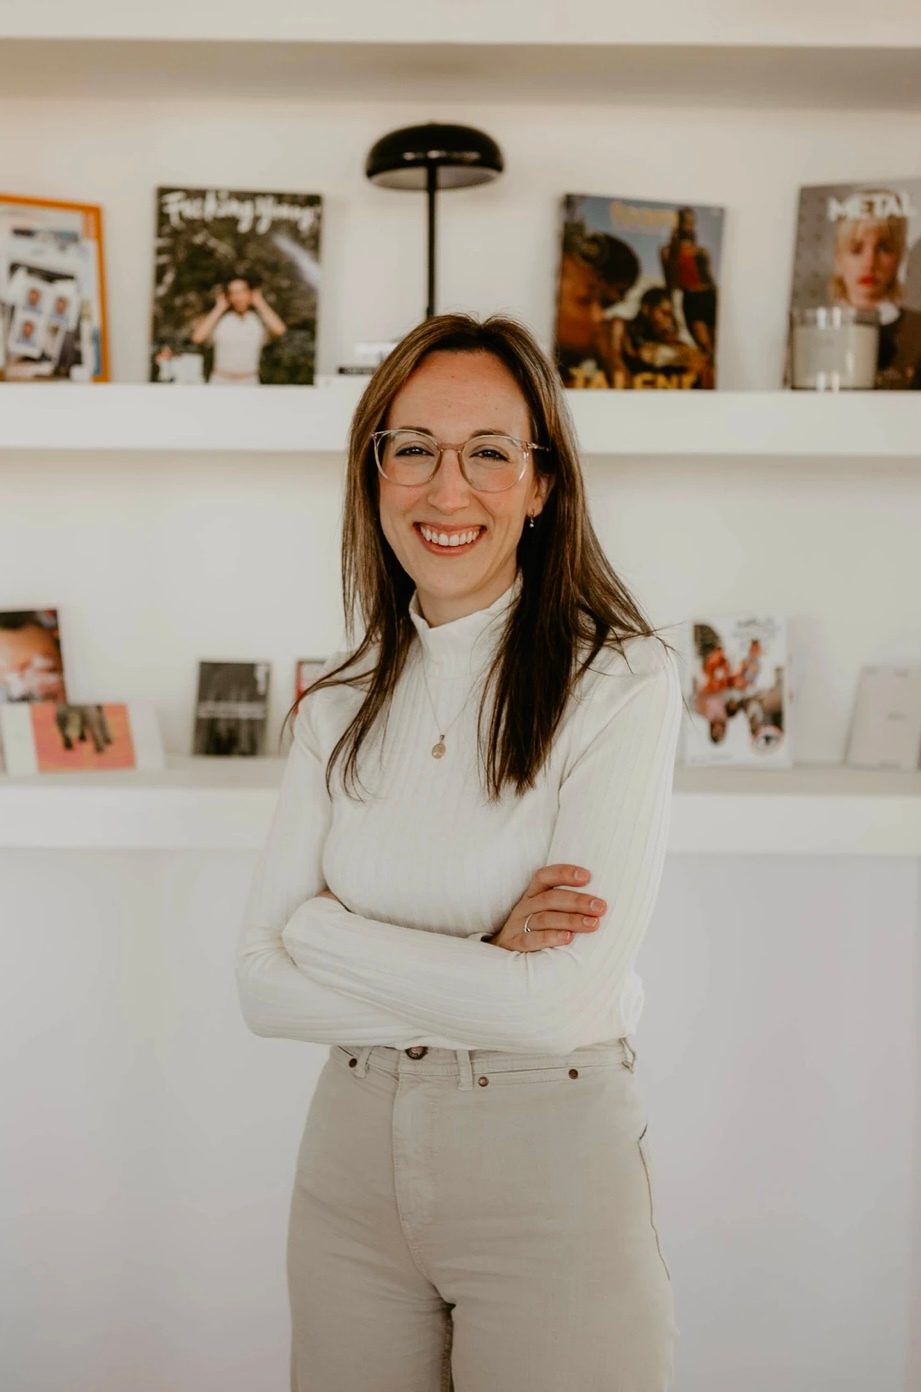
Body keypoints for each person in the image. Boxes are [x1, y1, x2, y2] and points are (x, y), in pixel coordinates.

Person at [236, 312, 684, 1391]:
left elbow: (560, 1008)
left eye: (489, 452)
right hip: (349, 1164)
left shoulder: (619, 683)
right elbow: (261, 990)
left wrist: (323, 931)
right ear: (373, 471)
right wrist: (489, 949)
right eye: (415, 449)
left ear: (542, 486)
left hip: (549, 1166)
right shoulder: (335, 704)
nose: (448, 490)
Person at [829, 188, 921, 389]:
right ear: (838, 257)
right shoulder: (815, 332)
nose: (869, 263)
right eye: (856, 249)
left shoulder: (918, 332)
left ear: (899, 256)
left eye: (884, 248)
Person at [190, 273, 287, 385]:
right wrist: (219, 308)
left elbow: (280, 330)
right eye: (233, 293)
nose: (238, 297)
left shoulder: (258, 319)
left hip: (249, 380)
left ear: (250, 293)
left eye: (242, 292)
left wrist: (260, 302)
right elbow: (197, 338)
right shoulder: (220, 319)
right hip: (220, 380)